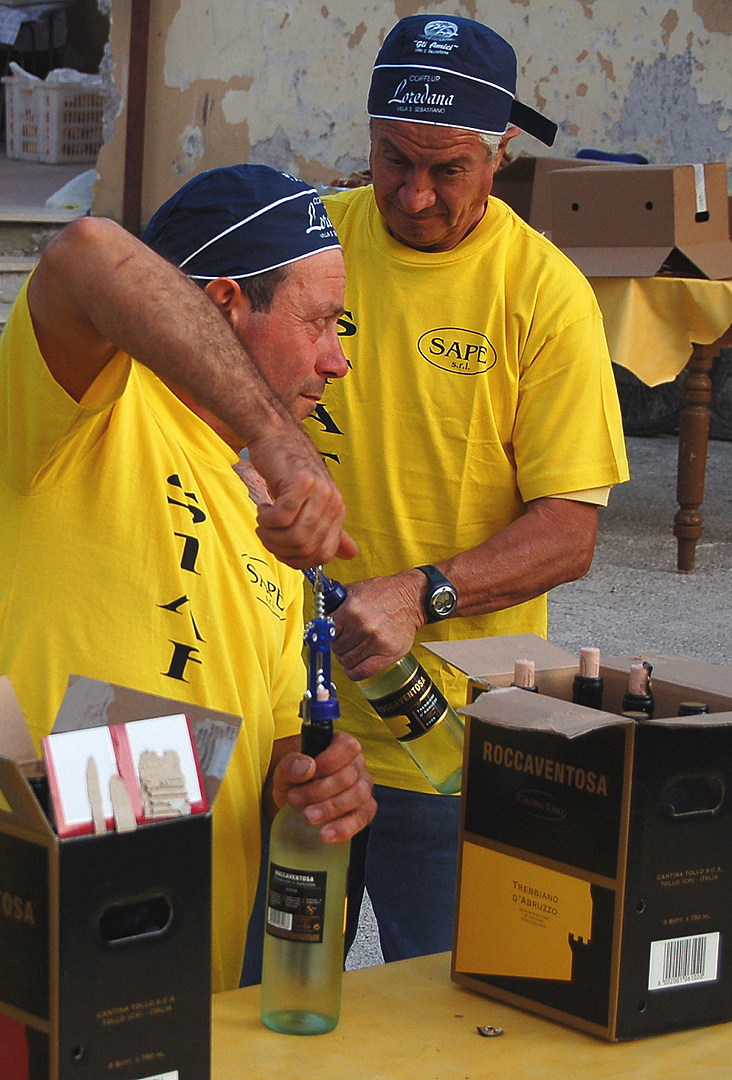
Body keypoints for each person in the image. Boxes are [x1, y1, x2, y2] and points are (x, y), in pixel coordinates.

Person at [0, 165, 372, 993]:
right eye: (318, 321)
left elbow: (281, 755)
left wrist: (320, 781)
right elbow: (85, 252)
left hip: (170, 974)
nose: (337, 358)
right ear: (221, 304)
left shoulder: (264, 511)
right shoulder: (92, 409)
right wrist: (275, 437)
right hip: (32, 920)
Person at [307, 13, 629, 964]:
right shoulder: (307, 242)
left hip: (443, 734)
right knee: (257, 1011)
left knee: (448, 1015)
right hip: (280, 721)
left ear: (500, 154)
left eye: (445, 169)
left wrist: (419, 594)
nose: (411, 194)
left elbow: (569, 530)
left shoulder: (542, 293)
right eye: (390, 159)